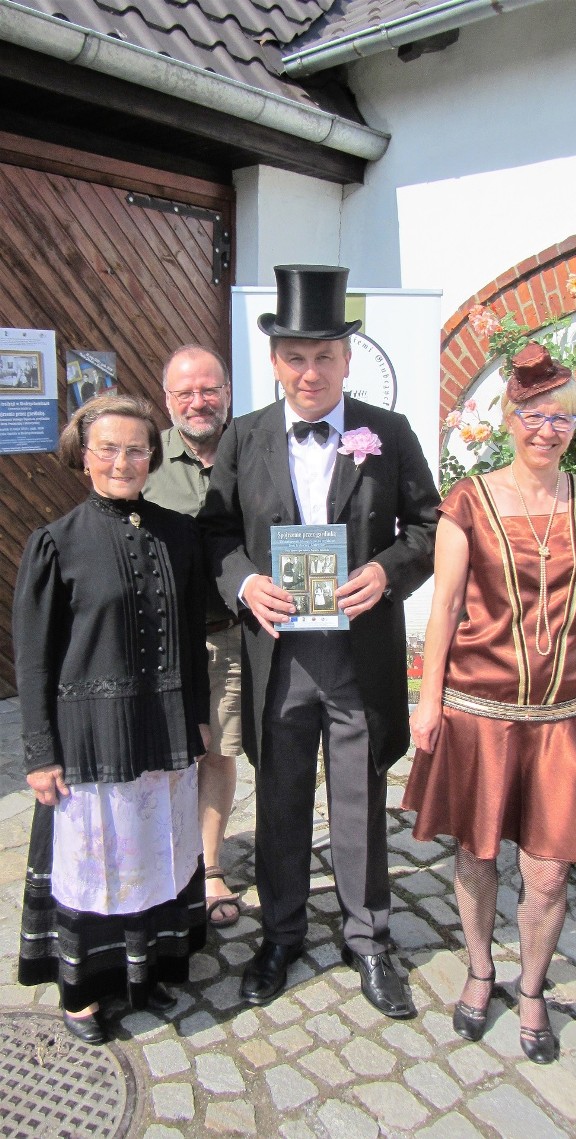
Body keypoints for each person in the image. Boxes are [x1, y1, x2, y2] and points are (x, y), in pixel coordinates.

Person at [200, 264, 439, 1017]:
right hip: (278, 653)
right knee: (279, 795)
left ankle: (368, 937)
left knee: (361, 793)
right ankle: (281, 932)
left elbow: (431, 526)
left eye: (325, 357)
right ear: (276, 362)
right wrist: (243, 582)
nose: (310, 372)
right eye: (296, 357)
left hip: (356, 652)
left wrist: (387, 570)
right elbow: (215, 532)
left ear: (347, 358)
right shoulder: (243, 438)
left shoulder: (388, 433)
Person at [404, 342, 576, 1064]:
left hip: (563, 717)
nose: (546, 428)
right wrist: (428, 700)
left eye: (560, 416)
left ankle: (531, 989)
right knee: (475, 852)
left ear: (573, 424)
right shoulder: (466, 500)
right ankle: (478, 966)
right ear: (508, 416)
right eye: (533, 413)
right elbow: (443, 612)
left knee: (550, 869)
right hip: (478, 711)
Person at [13, 394, 210, 1045]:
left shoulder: (179, 533)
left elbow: (190, 638)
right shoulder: (55, 544)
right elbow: (34, 660)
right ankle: (83, 993)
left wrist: (200, 720)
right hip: (91, 738)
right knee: (99, 864)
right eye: (109, 448)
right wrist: (40, 753)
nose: (124, 460)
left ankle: (143, 973)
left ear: (152, 456)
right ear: (84, 455)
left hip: (164, 728)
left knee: (156, 855)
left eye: (136, 448)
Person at [144, 345, 242, 928]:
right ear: (168, 399)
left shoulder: (254, 449)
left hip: (229, 634)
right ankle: (158, 865)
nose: (198, 402)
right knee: (161, 757)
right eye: (185, 393)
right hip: (161, 640)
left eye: (209, 390)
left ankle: (208, 868)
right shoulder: (148, 455)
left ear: (227, 391)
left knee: (219, 750)